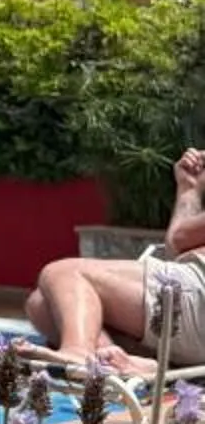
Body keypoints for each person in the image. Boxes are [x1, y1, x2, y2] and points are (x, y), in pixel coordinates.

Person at [25, 147, 205, 373]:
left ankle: (80, 353)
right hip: (193, 301)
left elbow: (179, 239)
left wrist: (189, 192)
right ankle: (123, 365)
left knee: (63, 273)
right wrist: (190, 186)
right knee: (41, 305)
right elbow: (176, 247)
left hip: (198, 296)